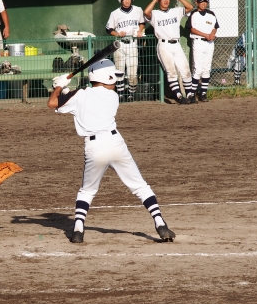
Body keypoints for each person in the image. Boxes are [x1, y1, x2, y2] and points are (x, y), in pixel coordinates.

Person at [48, 60, 176, 244]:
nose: (115, 81)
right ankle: (160, 223)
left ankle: (78, 229)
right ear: (106, 77)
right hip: (116, 144)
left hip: (94, 148)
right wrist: (65, 90)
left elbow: (54, 103)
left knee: (87, 191)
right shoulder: (113, 96)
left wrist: (59, 87)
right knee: (140, 186)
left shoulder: (80, 95)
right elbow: (85, 102)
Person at [143, 0, 194, 104]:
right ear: (159, 0)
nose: (166, 0)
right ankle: (179, 96)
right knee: (171, 72)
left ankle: (190, 94)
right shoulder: (155, 14)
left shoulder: (176, 11)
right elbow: (146, 12)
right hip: (164, 45)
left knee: (186, 70)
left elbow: (190, 7)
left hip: (176, 44)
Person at [106, 0, 146, 102]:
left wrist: (140, 31)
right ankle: (120, 94)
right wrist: (117, 34)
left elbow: (142, 23)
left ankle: (131, 94)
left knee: (132, 73)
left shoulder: (138, 10)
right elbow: (108, 29)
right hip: (120, 44)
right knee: (119, 71)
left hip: (133, 43)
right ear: (120, 0)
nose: (127, 1)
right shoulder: (115, 13)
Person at [188, 0, 219, 102]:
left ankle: (203, 93)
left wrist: (212, 34)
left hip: (209, 43)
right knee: (198, 69)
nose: (204, 3)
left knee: (207, 69)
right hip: (198, 42)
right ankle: (192, 94)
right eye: (201, 1)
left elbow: (215, 27)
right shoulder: (194, 14)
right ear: (196, 2)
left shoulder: (211, 14)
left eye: (205, 1)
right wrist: (206, 35)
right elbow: (192, 29)